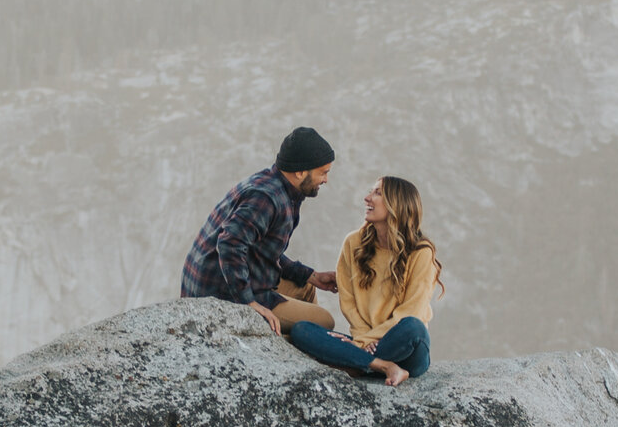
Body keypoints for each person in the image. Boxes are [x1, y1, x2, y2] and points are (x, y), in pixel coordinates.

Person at [284, 176, 442, 386]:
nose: (367, 198)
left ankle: (357, 364)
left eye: (377, 193)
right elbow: (349, 304)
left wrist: (361, 344)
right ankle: (382, 366)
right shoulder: (353, 243)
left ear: (396, 204)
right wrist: (362, 339)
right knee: (302, 330)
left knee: (413, 327)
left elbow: (411, 311)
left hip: (404, 348)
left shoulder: (421, 252)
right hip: (364, 343)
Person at [180, 127, 340, 333]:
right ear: (300, 172)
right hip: (220, 294)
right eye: (323, 172)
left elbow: (261, 249)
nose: (326, 180)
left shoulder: (274, 185)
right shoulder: (266, 198)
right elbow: (230, 243)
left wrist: (312, 276)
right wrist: (249, 304)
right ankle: (284, 349)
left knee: (305, 286)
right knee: (324, 322)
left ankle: (301, 342)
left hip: (233, 280)